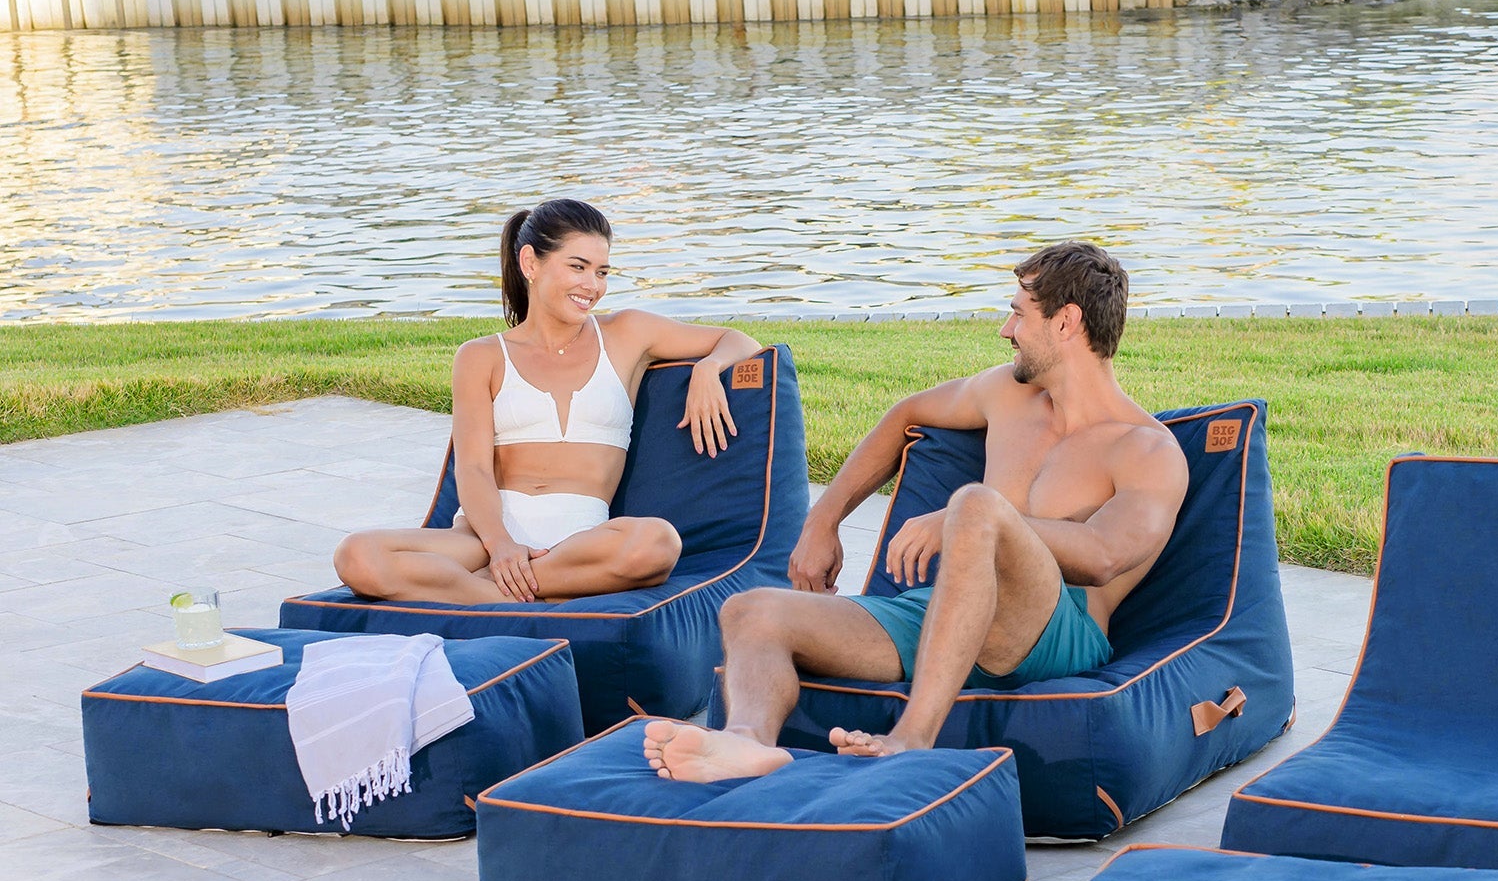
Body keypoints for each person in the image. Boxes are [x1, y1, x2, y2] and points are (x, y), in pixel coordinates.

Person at [644, 240, 1187, 781]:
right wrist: (823, 521)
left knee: (976, 502)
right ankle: (745, 742)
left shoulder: (1147, 450)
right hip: (946, 611)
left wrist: (965, 519)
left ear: (1067, 323)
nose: (1005, 330)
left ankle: (911, 738)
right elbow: (905, 415)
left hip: (1056, 631)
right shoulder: (1006, 393)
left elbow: (1104, 556)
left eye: (1018, 314)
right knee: (751, 611)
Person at [334, 199, 764, 606]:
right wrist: (500, 545)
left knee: (658, 543)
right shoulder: (480, 356)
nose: (592, 286)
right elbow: (474, 468)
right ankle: (536, 595)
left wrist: (709, 370)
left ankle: (488, 594)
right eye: (578, 267)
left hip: (578, 541)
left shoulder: (627, 334)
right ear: (530, 264)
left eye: (601, 272)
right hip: (481, 540)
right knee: (357, 555)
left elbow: (739, 340)